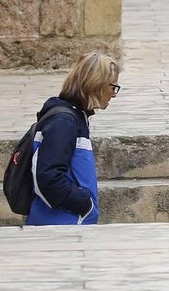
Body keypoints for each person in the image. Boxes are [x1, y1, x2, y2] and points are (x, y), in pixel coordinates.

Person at [26, 52, 119, 226]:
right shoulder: (64, 122)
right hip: (60, 226)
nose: (114, 94)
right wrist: (85, 204)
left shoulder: (75, 117)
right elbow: (47, 177)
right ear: (97, 85)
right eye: (113, 87)